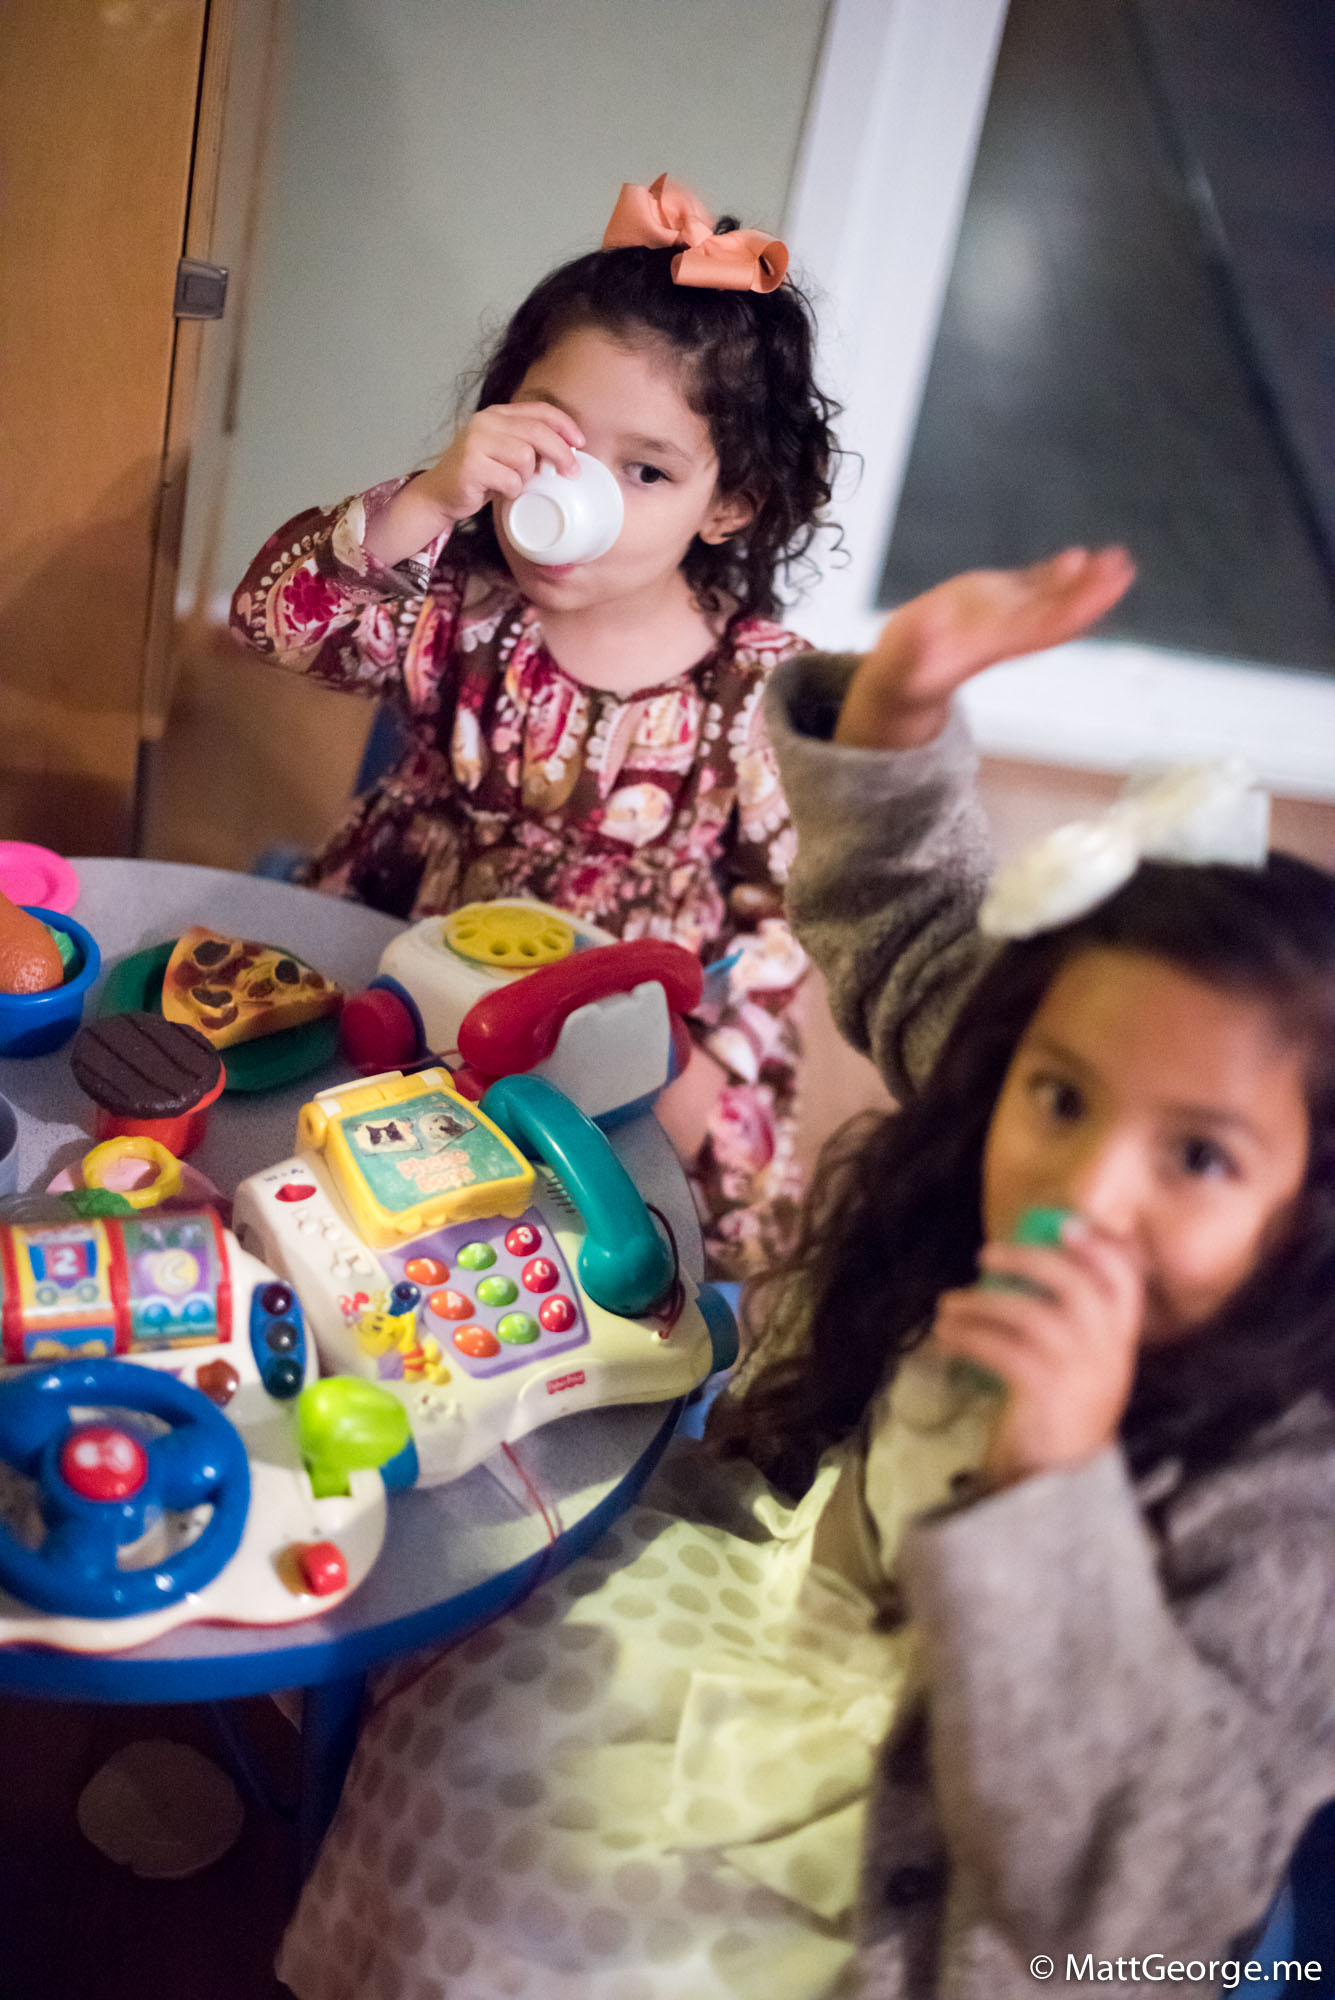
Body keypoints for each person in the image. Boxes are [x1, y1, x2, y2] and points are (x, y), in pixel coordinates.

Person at [276, 544, 1335, 2000]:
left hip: (946, 1889)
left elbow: (1129, 1910)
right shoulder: (997, 1106)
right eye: (1059, 1101)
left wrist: (1052, 1479)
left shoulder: (1295, 1506)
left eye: (1200, 1159)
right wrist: (893, 714)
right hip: (787, 1609)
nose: (1083, 1190)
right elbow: (908, 929)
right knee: (426, 1745)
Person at [231, 174, 836, 1280]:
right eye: (553, 443)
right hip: (415, 940)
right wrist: (426, 498)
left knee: (670, 1229)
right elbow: (273, 625)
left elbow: (783, 920)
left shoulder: (757, 694)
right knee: (310, 1161)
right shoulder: (458, 605)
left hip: (626, 1016)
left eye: (644, 470)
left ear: (729, 502)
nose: (575, 499)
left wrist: (699, 1066)